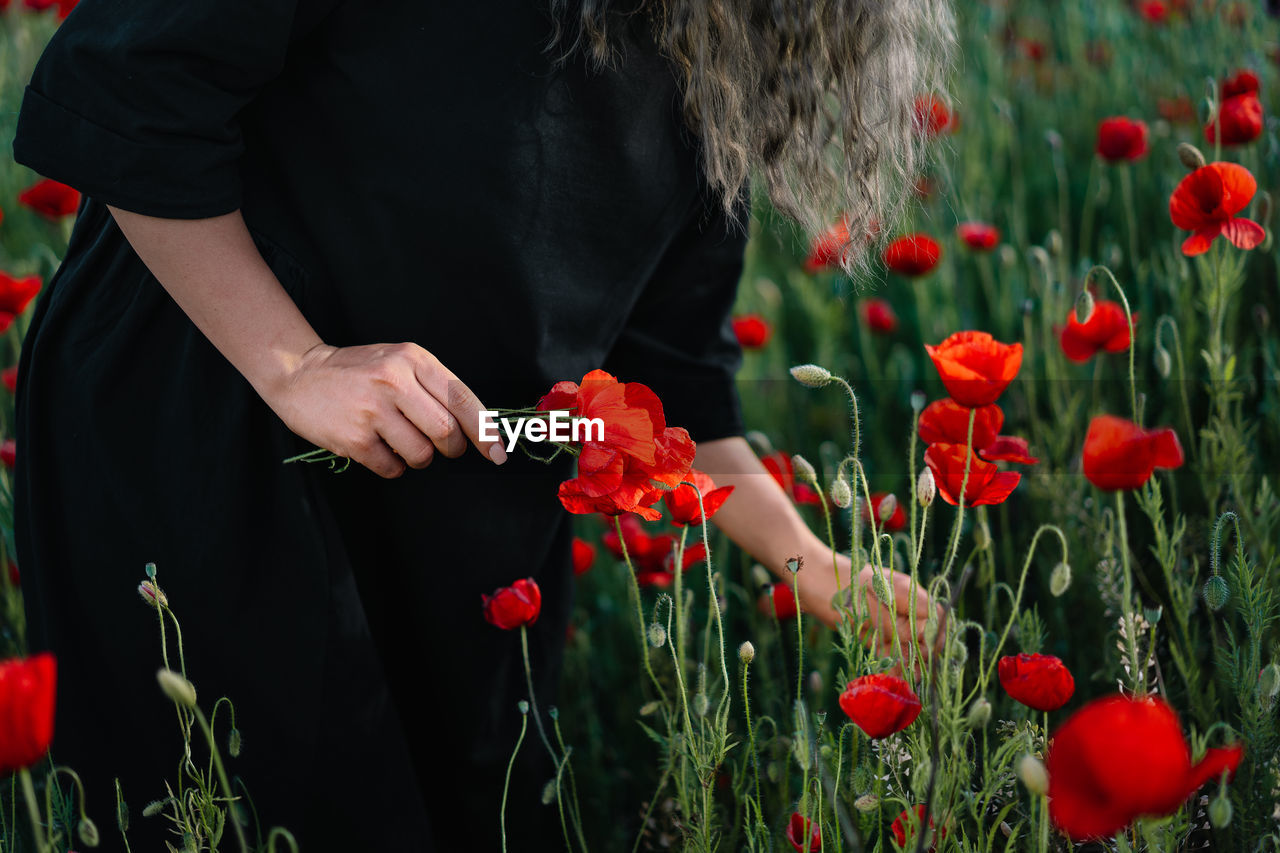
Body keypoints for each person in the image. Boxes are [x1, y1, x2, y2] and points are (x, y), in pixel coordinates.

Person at [9, 0, 950, 848]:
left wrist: (814, 563)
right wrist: (294, 364)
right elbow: (126, 85)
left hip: (463, 518)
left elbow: (671, 390)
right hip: (202, 427)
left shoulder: (726, 39)